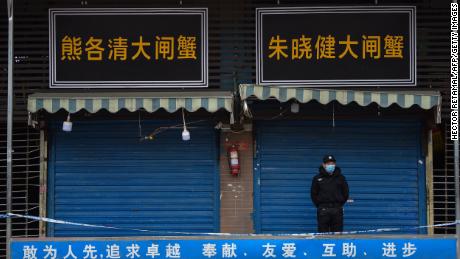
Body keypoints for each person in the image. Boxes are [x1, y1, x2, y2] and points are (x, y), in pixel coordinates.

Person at [310, 155, 349, 233]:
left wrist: (339, 205)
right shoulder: (317, 178)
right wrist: (320, 206)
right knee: (323, 235)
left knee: (337, 234)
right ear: (324, 165)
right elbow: (313, 194)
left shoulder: (341, 178)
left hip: (337, 209)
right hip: (323, 210)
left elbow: (346, 193)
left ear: (335, 164)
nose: (330, 165)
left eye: (332, 163)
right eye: (328, 164)